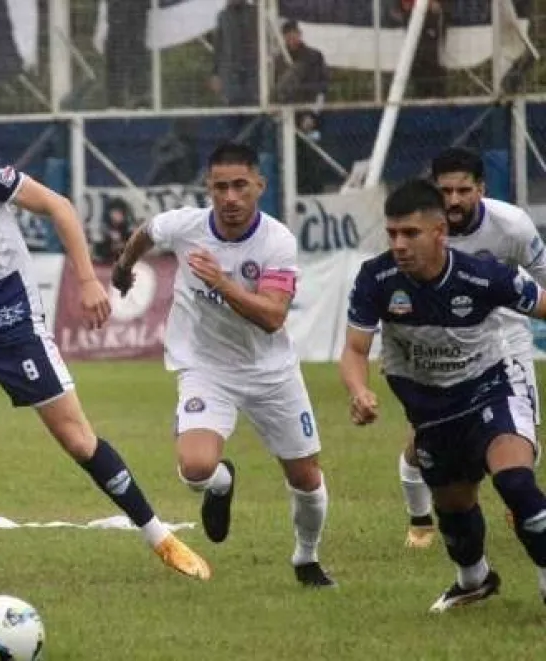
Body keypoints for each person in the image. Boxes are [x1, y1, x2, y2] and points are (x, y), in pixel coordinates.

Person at [0, 91, 210, 593]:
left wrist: (89, 279)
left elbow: (58, 206)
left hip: (12, 325)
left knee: (77, 439)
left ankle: (160, 537)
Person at [111, 142, 335, 588]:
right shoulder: (186, 226)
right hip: (205, 367)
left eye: (240, 186)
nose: (230, 198)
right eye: (220, 188)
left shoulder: (277, 242)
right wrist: (122, 267)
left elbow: (272, 317)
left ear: (259, 186)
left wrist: (222, 282)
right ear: (208, 189)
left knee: (306, 478)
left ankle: (306, 557)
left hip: (271, 372)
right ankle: (220, 482)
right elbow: (148, 232)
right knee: (195, 468)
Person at [341, 178, 546, 612]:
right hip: (430, 411)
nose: (399, 244)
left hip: (491, 390)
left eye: (410, 233)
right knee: (454, 509)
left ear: (439, 233)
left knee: (515, 481)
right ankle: (473, 581)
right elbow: (355, 349)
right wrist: (359, 390)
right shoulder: (375, 279)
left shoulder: (483, 275)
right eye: (393, 233)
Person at [397, 148, 546, 550]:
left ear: (481, 188)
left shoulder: (511, 225)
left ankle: (521, 507)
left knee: (520, 432)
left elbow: (543, 277)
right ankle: (419, 520)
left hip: (505, 335)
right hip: (440, 339)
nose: (454, 200)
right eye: (445, 190)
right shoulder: (418, 225)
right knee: (429, 436)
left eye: (464, 190)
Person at [273, 20, 328, 195]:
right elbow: (276, 91)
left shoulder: (314, 57)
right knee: (292, 158)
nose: (292, 39)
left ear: (299, 34)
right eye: (288, 36)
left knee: (312, 156)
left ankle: (315, 192)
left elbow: (322, 88)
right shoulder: (280, 60)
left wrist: (312, 114)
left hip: (309, 115)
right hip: (289, 117)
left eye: (294, 34)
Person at [209, 0, 259, 106]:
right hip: (230, 75)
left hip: (252, 73)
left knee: (253, 107)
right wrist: (215, 74)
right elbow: (218, 47)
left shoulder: (254, 12)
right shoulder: (222, 16)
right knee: (233, 109)